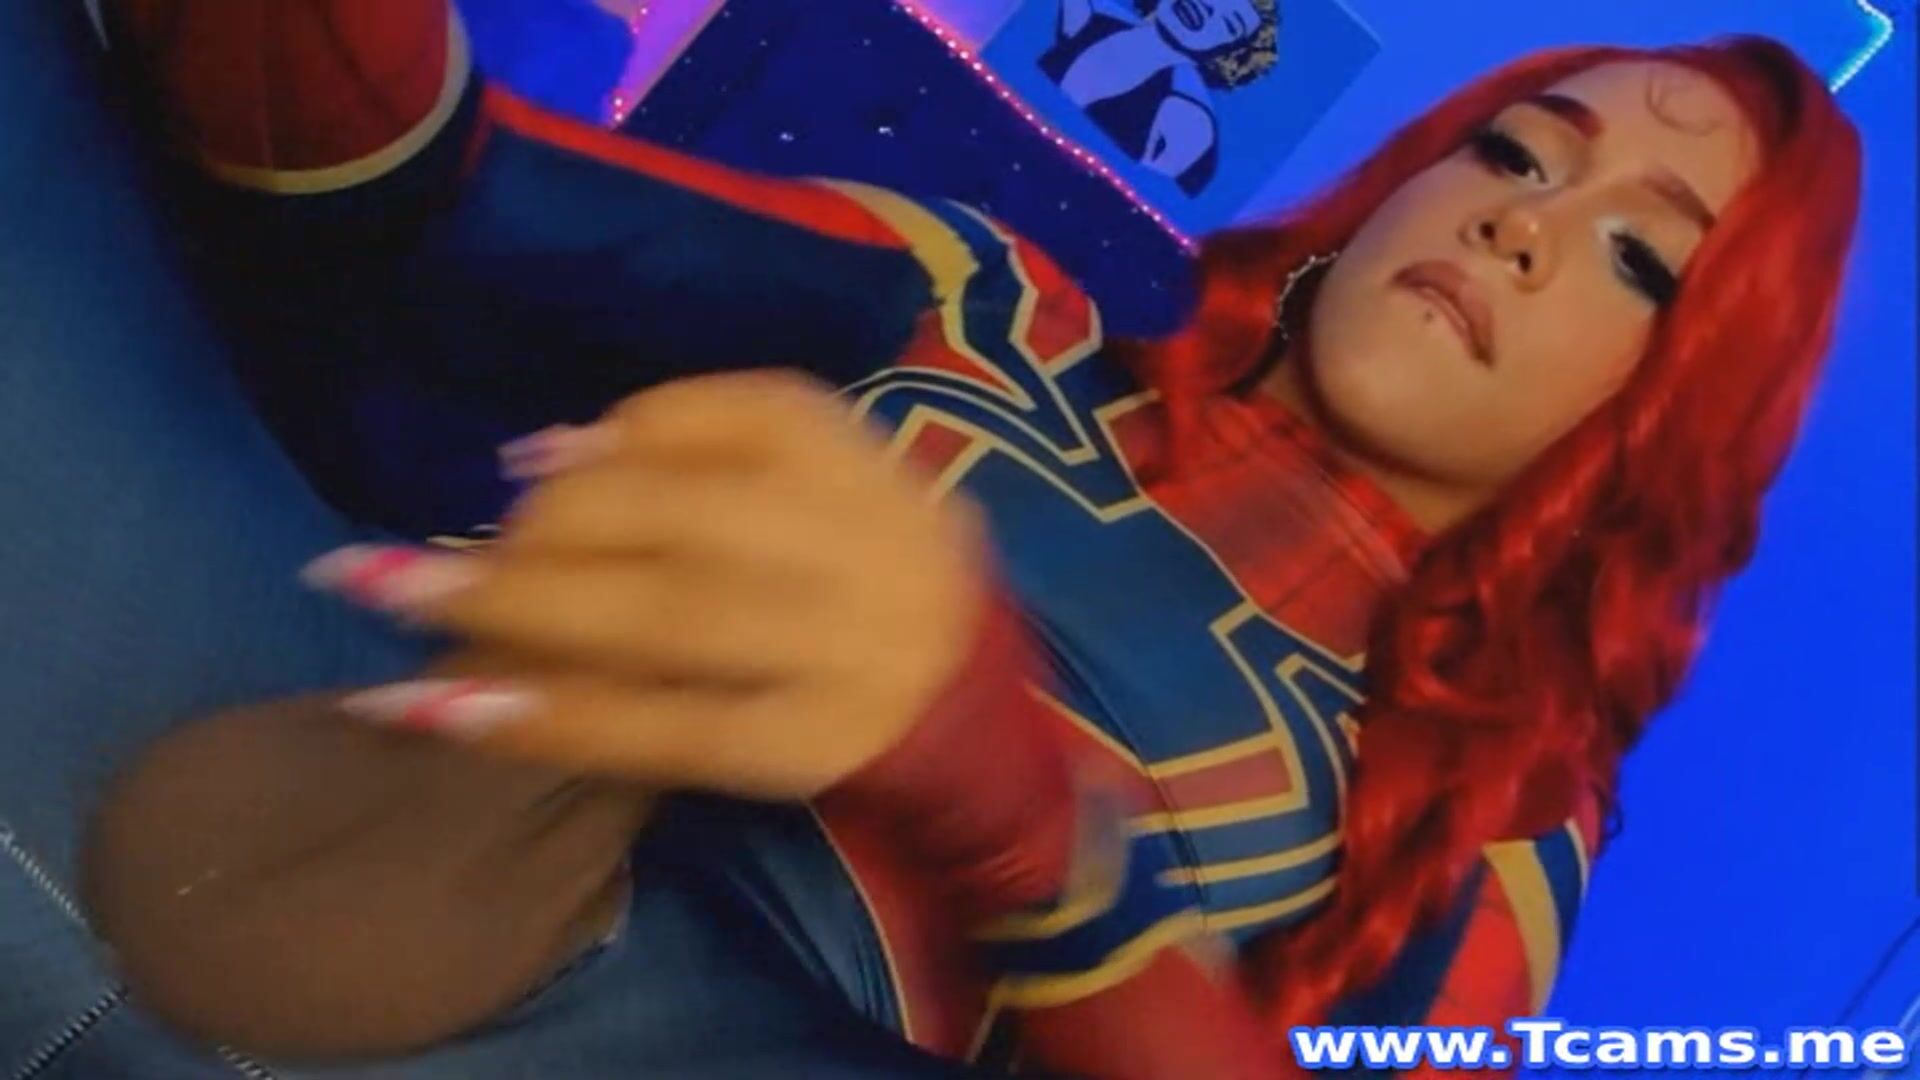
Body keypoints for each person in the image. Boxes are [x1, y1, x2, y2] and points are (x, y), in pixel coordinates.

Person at [23, 3, 1863, 1077]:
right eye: (1516, 155)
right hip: (337, 712)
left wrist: (1011, 806)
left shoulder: (1489, 810)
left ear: (1667, 413)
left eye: (1641, 256)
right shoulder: (989, 305)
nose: (1523, 224)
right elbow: (434, 197)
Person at [1039, 0, 1281, 194]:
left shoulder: (1189, 118)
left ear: (1229, 53)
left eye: (1229, 23)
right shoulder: (1094, 12)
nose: (1207, 8)